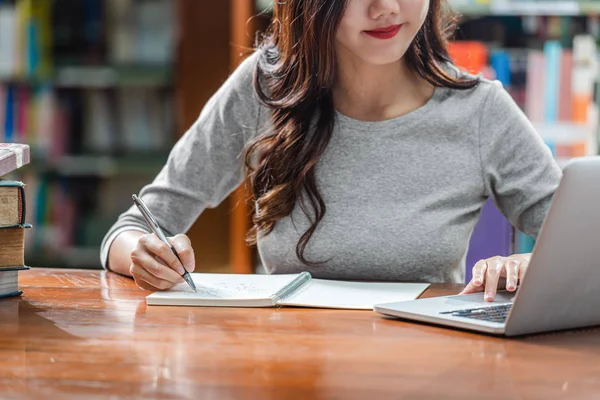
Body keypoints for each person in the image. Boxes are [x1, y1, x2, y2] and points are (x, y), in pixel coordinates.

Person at [101, 0, 561, 302]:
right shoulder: (263, 90)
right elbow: (134, 227)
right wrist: (142, 255)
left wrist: (533, 265)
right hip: (291, 368)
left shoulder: (480, 110)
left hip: (425, 370)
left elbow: (585, 247)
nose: (385, 8)